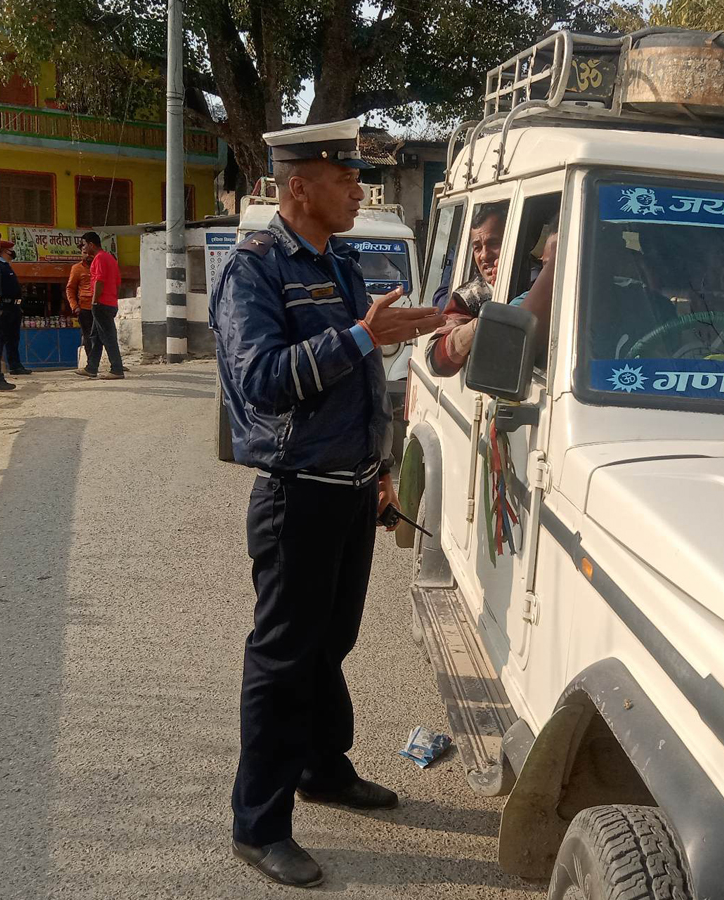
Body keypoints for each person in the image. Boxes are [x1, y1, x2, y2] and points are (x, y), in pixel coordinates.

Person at [209, 118, 445, 889]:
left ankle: (322, 768)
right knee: (282, 661)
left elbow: (365, 371)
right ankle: (260, 824)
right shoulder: (254, 271)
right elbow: (262, 380)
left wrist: (380, 466)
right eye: (343, 178)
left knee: (331, 643)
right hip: (295, 496)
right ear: (298, 186)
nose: (356, 189)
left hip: (348, 492)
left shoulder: (340, 260)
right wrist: (357, 337)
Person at [425, 204, 505, 376]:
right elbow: (435, 361)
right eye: (477, 247)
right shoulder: (471, 295)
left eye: (494, 243)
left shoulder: (539, 283)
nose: (484, 255)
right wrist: (479, 325)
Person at [76, 232, 126, 379]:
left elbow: (99, 281)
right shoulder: (110, 258)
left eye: (84, 244)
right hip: (110, 302)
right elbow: (117, 283)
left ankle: (117, 369)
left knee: (108, 337)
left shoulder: (99, 258)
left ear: (91, 244)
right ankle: (91, 367)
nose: (84, 248)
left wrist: (95, 300)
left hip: (101, 303)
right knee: (95, 336)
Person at [0, 240, 31, 377]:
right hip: (4, 307)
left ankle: (15, 365)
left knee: (13, 338)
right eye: (11, 250)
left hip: (13, 307)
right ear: (6, 251)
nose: (13, 252)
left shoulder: (6, 266)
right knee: (0, 339)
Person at [66, 244, 96, 365]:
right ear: (81, 253)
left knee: (105, 335)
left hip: (100, 306)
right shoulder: (76, 268)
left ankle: (115, 363)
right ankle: (91, 364)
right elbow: (70, 289)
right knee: (88, 336)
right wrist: (75, 306)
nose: (88, 255)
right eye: (85, 252)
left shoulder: (99, 265)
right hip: (85, 308)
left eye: (90, 253)